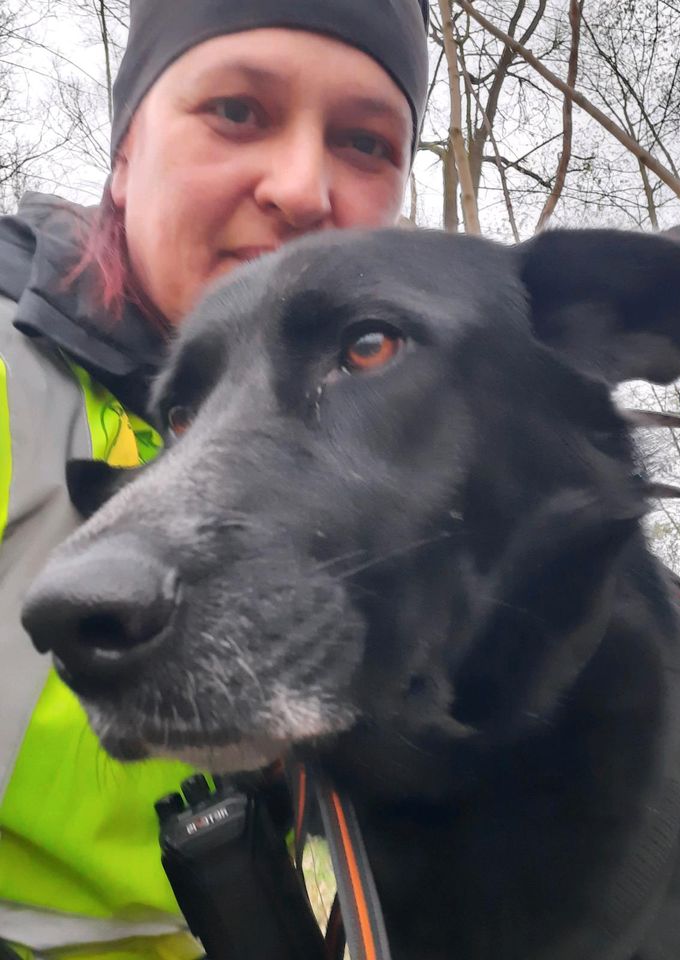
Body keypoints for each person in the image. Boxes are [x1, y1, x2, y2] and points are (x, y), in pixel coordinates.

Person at [0, 2, 429, 957]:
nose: (304, 186)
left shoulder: (378, 454)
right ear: (122, 154)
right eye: (238, 111)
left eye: (366, 141)